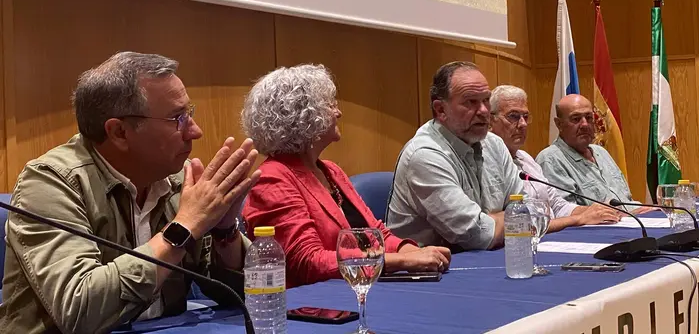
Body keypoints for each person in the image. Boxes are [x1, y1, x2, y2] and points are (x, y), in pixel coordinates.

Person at [0, 52, 260, 334]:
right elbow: (80, 312)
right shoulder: (50, 182)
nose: (195, 131)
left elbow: (244, 294)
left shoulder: (175, 178)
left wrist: (224, 232)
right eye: (178, 118)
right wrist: (182, 229)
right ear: (119, 132)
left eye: (190, 114)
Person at [240, 64, 450, 288]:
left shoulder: (330, 170)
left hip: (357, 291)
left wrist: (411, 251)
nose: (338, 112)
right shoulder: (273, 178)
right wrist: (401, 260)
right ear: (304, 116)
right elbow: (306, 263)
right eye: (330, 105)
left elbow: (376, 234)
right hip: (316, 306)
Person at [386, 62, 524, 251]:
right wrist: (510, 218)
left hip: (485, 258)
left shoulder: (494, 144)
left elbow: (529, 210)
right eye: (471, 102)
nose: (484, 111)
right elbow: (478, 235)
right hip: (429, 273)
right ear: (440, 110)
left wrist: (497, 221)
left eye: (486, 100)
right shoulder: (425, 155)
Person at [489, 86, 622, 231]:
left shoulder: (526, 159)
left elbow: (557, 204)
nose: (522, 124)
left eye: (525, 117)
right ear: (490, 120)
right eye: (513, 116)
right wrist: (578, 218)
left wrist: (598, 211)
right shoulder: (487, 163)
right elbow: (520, 222)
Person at [536, 94, 652, 213]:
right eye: (576, 119)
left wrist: (650, 210)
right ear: (559, 124)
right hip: (600, 229)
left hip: (633, 222)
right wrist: (624, 214)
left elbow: (626, 200)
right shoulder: (551, 159)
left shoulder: (601, 152)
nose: (585, 124)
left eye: (589, 117)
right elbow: (565, 213)